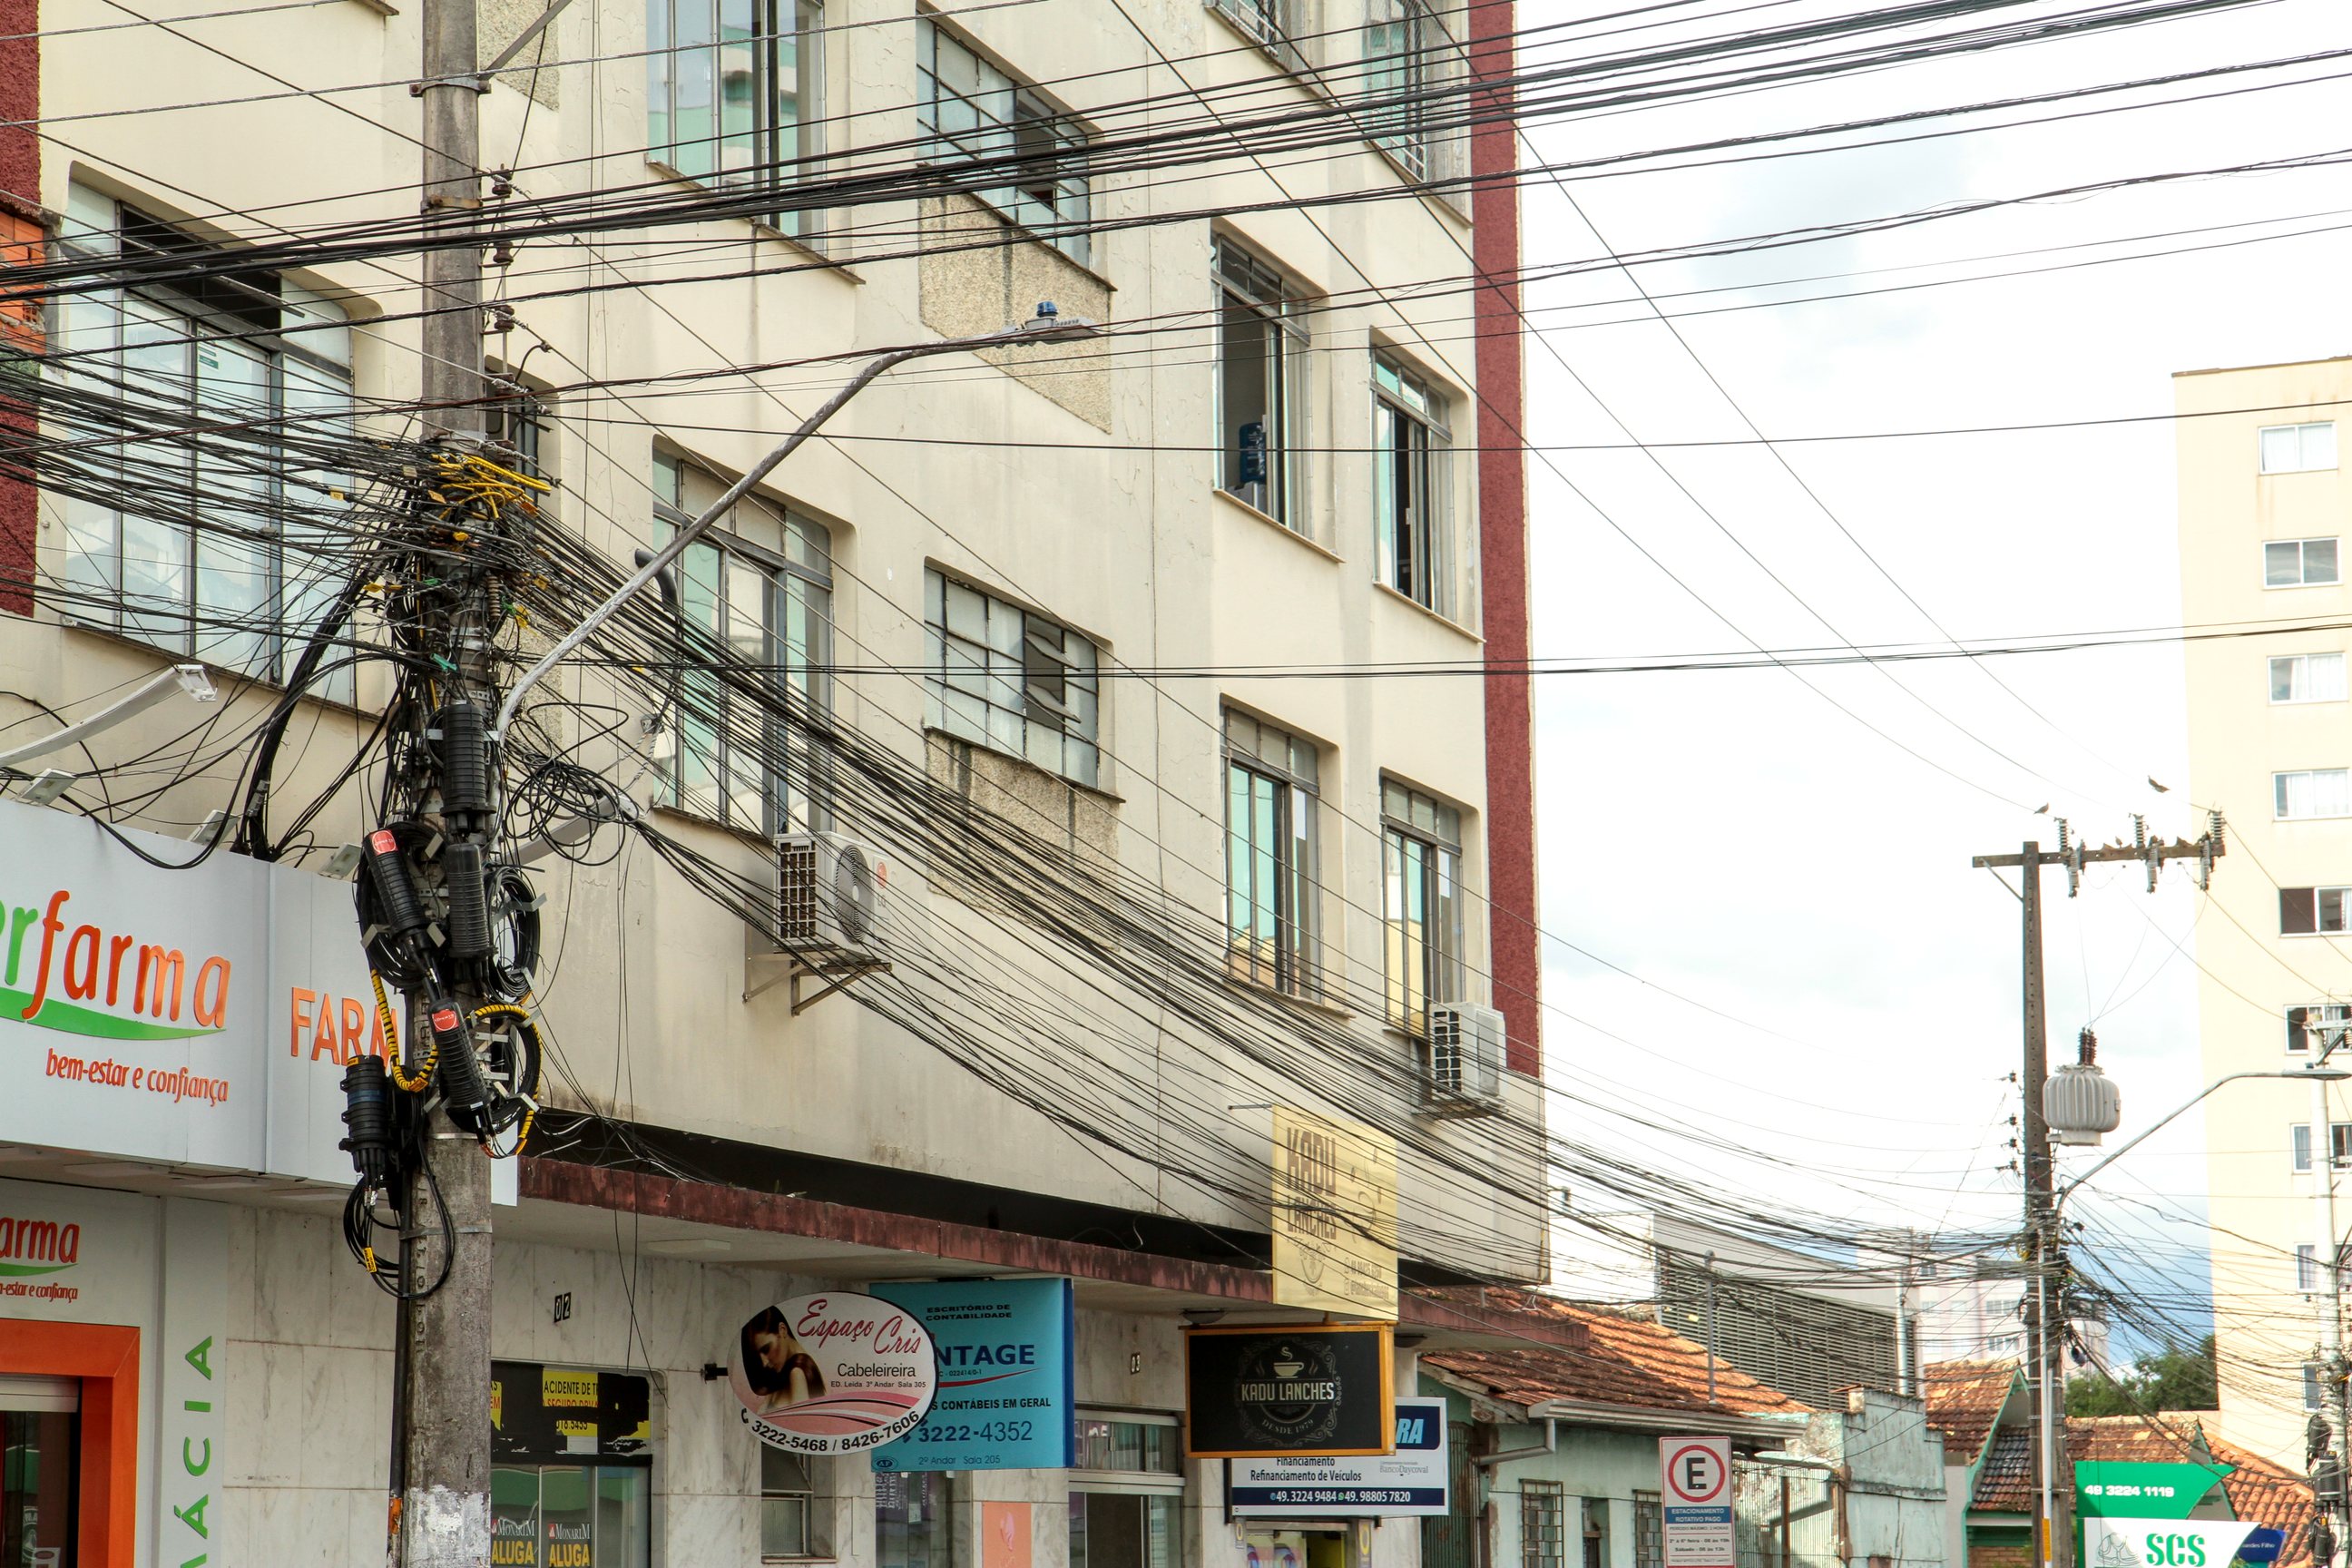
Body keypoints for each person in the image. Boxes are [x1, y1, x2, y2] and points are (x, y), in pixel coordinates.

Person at [741, 1307, 828, 1411]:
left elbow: (799, 1420)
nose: (764, 1363)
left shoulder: (797, 1372)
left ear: (782, 1330)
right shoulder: (783, 1371)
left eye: (766, 1349)